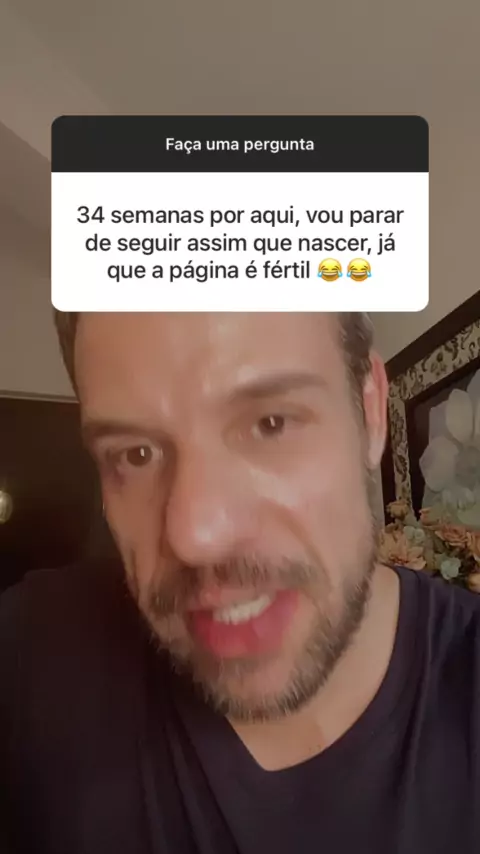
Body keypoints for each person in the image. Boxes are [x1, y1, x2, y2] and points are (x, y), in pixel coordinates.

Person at [1, 312, 480, 854]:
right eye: (135, 455)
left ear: (369, 411)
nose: (196, 537)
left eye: (270, 423)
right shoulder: (33, 652)